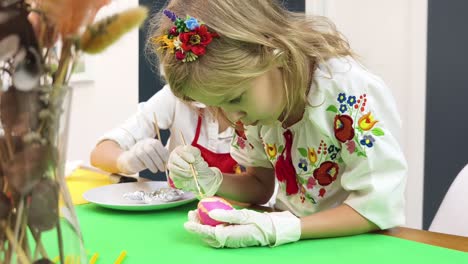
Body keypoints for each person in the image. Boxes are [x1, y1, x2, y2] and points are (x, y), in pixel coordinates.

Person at [148, 0, 408, 248]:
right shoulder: (253, 108)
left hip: (358, 247)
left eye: (235, 98)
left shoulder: (349, 93)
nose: (232, 118)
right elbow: (260, 186)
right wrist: (209, 179)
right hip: (294, 246)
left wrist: (283, 228)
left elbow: (377, 207)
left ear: (277, 55)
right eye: (216, 105)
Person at [90, 84, 244, 186]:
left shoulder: (249, 109)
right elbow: (99, 154)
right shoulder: (176, 95)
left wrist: (210, 180)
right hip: (179, 212)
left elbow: (261, 189)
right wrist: (126, 161)